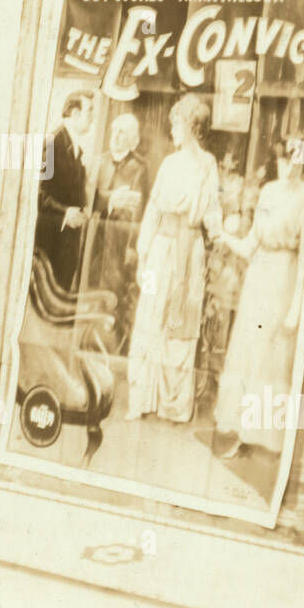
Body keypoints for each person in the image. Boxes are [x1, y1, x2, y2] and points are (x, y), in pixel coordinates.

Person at [212, 139, 304, 457]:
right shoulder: (268, 192)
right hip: (258, 275)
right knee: (248, 349)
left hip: (283, 276)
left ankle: (263, 437)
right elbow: (251, 242)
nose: (289, 168)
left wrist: (296, 307)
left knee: (271, 356)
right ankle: (241, 431)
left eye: (296, 162)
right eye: (284, 161)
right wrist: (223, 236)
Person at [125, 94, 221, 422]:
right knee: (149, 315)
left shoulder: (207, 164)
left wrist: (222, 233)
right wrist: (143, 252)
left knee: (181, 322)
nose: (172, 129)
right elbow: (153, 209)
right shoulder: (168, 163)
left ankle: (174, 405)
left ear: (194, 127)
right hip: (162, 248)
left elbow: (211, 212)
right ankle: (141, 400)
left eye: (177, 123)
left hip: (189, 249)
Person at [85, 112, 148, 351]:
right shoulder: (99, 161)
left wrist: (132, 246)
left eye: (123, 133)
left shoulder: (138, 167)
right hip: (94, 238)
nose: (116, 137)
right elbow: (89, 198)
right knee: (89, 290)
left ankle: (107, 347)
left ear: (132, 139)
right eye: (115, 131)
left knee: (112, 293)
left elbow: (136, 209)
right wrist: (111, 200)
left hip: (119, 242)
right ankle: (87, 341)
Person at [36, 89, 94, 292]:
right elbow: (38, 193)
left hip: (66, 245)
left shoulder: (75, 148)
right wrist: (64, 213)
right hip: (50, 244)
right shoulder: (53, 143)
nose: (92, 117)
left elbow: (75, 193)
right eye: (89, 111)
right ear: (75, 113)